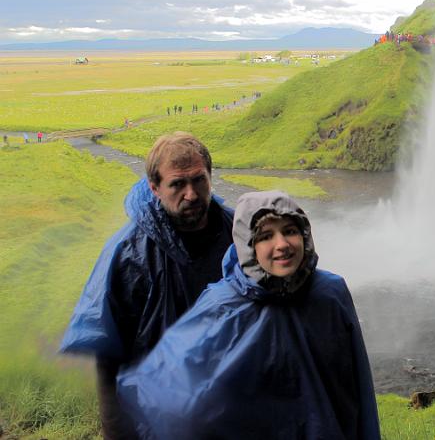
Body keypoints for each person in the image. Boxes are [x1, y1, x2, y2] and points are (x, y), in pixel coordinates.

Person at [117, 191, 380, 440]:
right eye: (265, 236)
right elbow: (172, 387)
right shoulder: (223, 305)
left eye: (290, 231)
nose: (282, 245)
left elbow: (357, 383)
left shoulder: (330, 293)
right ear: (247, 245)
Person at [61, 132, 234, 439]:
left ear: (211, 177)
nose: (191, 194)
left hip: (230, 405)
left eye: (199, 180)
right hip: (158, 414)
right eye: (177, 184)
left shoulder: (240, 233)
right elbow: (109, 356)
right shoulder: (128, 254)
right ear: (155, 188)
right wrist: (115, 431)